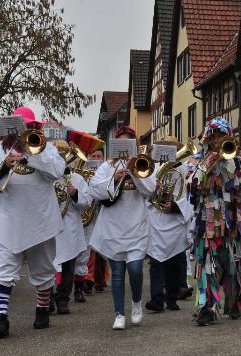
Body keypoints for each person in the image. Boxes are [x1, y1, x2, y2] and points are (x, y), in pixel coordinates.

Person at [0, 106, 65, 337]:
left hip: (40, 219)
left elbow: (58, 171)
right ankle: (0, 318)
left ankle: (42, 309)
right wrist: (5, 165)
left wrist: (33, 156)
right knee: (3, 270)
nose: (23, 131)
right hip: (10, 221)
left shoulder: (44, 148)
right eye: (20, 127)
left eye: (28, 127)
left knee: (44, 268)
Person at [89, 126, 155, 330]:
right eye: (121, 142)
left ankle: (136, 303)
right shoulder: (107, 167)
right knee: (117, 271)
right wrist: (114, 178)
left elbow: (150, 189)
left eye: (128, 142)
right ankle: (119, 313)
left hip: (135, 225)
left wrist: (134, 173)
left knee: (135, 269)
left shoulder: (141, 164)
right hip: (113, 227)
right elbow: (94, 190)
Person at [190, 117, 241, 326]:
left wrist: (230, 163)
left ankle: (234, 302)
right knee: (207, 262)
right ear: (208, 138)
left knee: (233, 262)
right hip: (206, 220)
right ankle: (207, 306)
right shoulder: (199, 159)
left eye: (221, 136)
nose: (217, 140)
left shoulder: (237, 159)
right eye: (213, 136)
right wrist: (207, 164)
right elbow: (192, 189)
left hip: (232, 220)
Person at [145, 136, 192, 312]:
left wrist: (175, 206)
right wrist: (153, 189)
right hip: (157, 219)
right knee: (156, 262)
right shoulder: (152, 169)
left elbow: (188, 196)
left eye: (171, 148)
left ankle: (172, 298)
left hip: (175, 220)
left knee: (176, 261)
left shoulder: (184, 170)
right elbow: (144, 192)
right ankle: (157, 299)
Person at [52, 140, 91, 314]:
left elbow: (87, 202)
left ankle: (63, 299)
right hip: (50, 227)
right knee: (48, 265)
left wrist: (75, 193)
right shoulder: (46, 176)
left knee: (68, 265)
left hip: (69, 228)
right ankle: (48, 297)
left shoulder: (77, 178)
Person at [81, 148, 110, 295]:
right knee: (90, 247)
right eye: (94, 156)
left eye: (99, 156)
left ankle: (98, 278)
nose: (96, 158)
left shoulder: (106, 170)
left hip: (102, 212)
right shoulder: (84, 170)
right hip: (88, 212)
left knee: (101, 249)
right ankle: (89, 277)